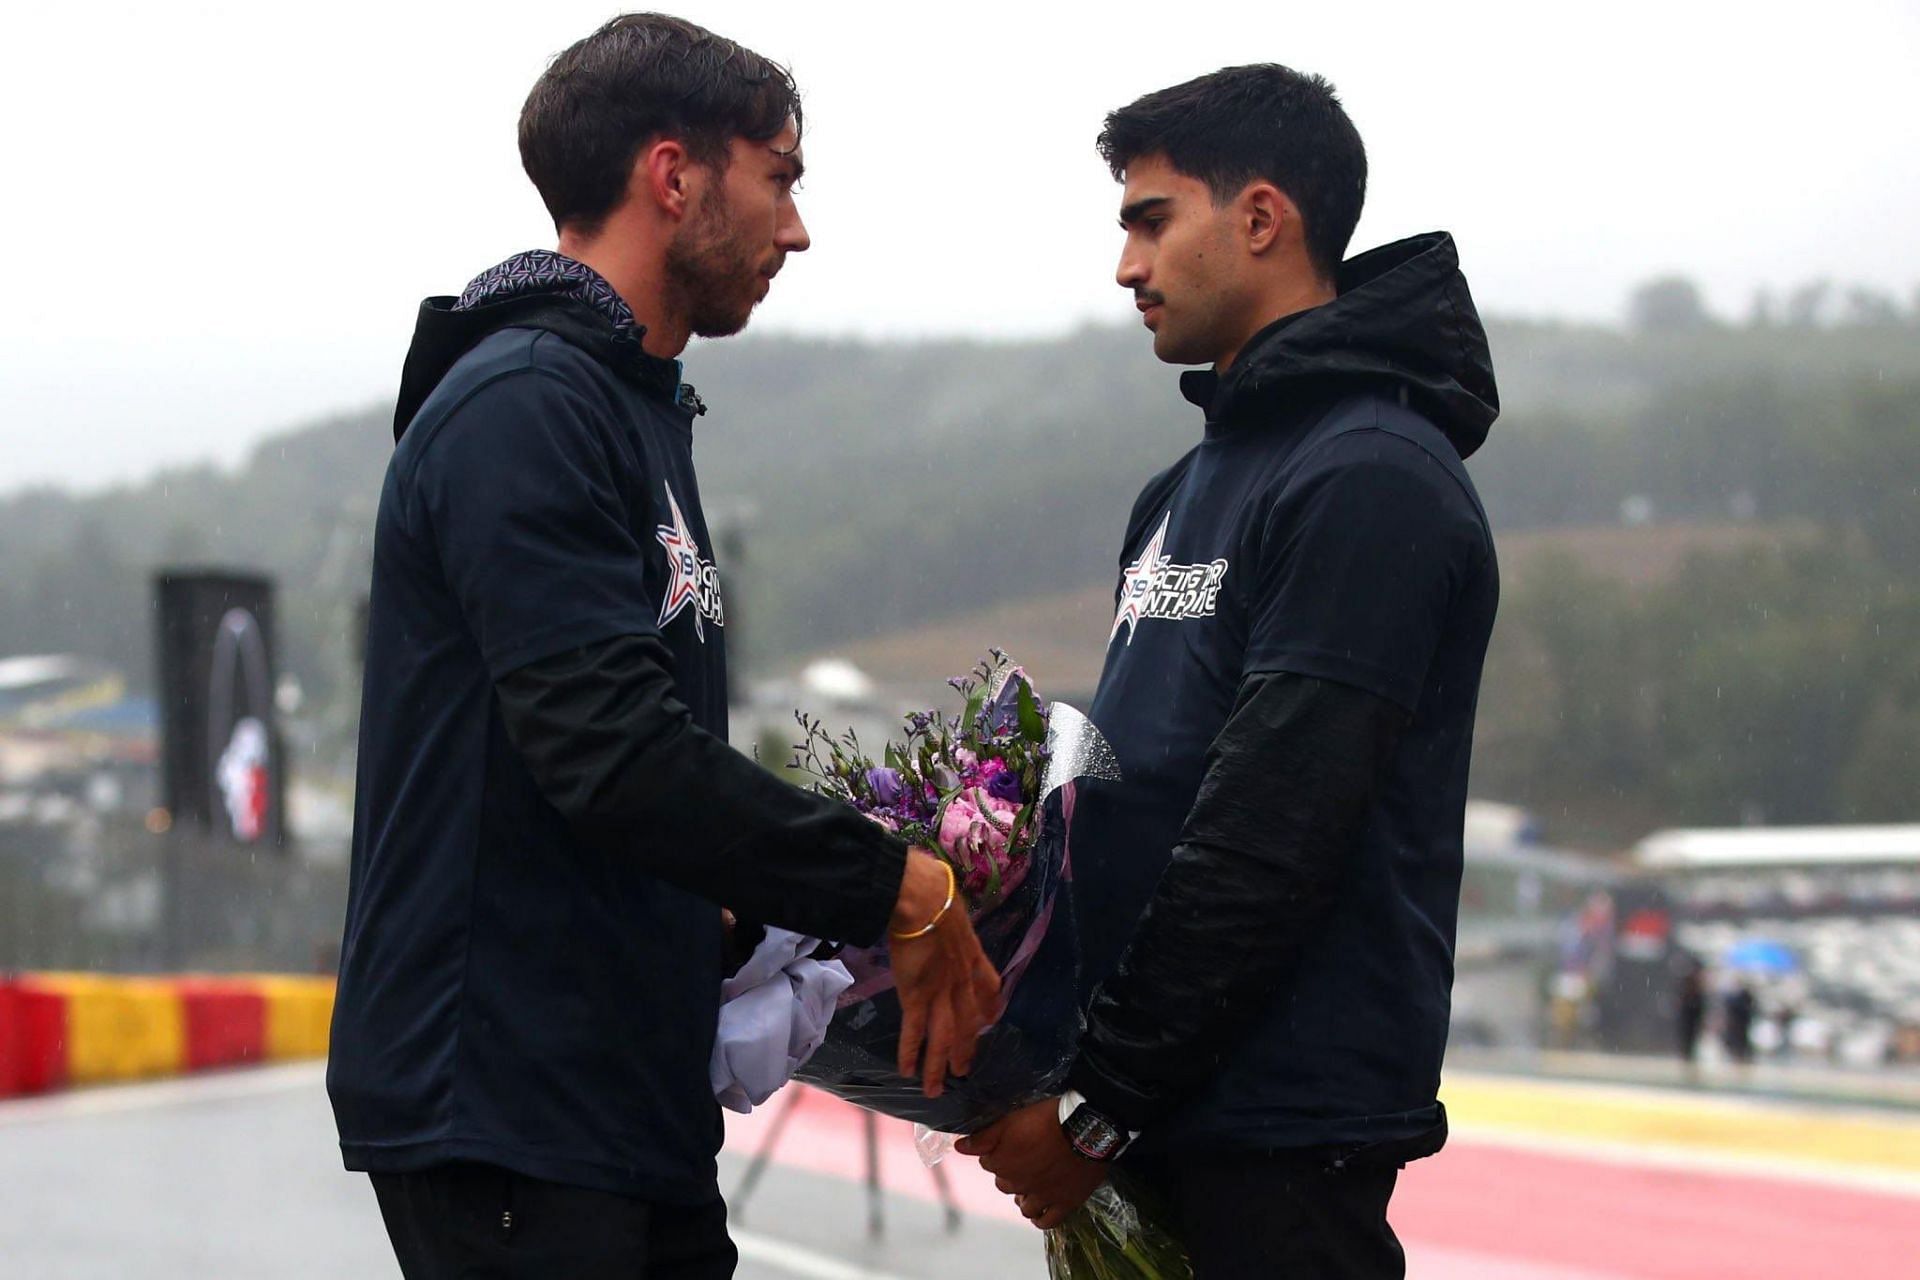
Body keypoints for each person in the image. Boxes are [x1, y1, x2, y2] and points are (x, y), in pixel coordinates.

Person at [326, 15, 997, 1279]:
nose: (796, 229)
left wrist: (752, 920)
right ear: (675, 174)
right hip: (512, 1097)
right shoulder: (526, 403)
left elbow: (611, 775)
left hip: (621, 1095)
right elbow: (613, 753)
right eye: (782, 177)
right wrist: (890, 883)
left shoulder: (632, 411)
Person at [959, 65, 1500, 1278]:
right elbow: (1129, 793)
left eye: (1151, 221)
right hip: (1153, 1117)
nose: (1127, 267)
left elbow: (1271, 830)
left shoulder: (1371, 475)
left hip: (1280, 1138)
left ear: (1261, 218)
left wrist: (1099, 1099)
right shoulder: (1182, 490)